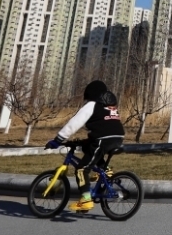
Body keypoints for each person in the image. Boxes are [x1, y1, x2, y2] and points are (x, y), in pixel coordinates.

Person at [46, 80, 124, 212]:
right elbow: (105, 126)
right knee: (88, 148)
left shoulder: (92, 105)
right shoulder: (110, 107)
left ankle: (86, 200)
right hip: (118, 138)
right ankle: (105, 170)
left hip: (102, 139)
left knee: (82, 169)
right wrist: (84, 141)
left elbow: (74, 123)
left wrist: (58, 139)